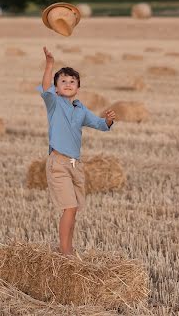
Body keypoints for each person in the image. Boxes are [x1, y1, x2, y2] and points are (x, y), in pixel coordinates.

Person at [38, 46, 115, 256]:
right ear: (56, 88)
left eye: (72, 81)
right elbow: (45, 87)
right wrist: (49, 65)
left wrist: (108, 120)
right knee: (69, 208)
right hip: (58, 163)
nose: (68, 84)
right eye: (63, 81)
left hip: (75, 165)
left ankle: (68, 249)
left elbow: (100, 124)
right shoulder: (54, 103)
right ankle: (65, 253)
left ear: (78, 88)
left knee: (74, 210)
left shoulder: (81, 110)